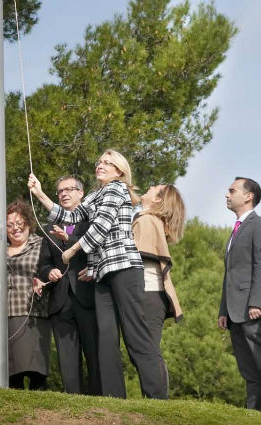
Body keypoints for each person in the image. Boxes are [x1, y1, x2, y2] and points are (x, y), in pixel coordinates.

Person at [28, 149, 165, 399]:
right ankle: (114, 399)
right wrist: (40, 193)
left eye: (107, 162)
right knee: (106, 338)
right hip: (103, 276)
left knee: (135, 336)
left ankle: (157, 398)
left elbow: (100, 228)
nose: (100, 165)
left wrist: (71, 251)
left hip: (125, 270)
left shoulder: (117, 189)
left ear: (119, 170)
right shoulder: (93, 195)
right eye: (99, 162)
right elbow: (69, 215)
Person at [39, 176, 101, 395]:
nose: (64, 194)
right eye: (60, 191)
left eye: (69, 189)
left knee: (94, 354)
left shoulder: (93, 221)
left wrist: (69, 238)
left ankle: (101, 399)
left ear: (81, 193)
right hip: (61, 301)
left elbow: (95, 251)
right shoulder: (48, 228)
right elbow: (43, 264)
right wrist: (49, 272)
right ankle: (72, 401)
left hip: (89, 297)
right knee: (67, 358)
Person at [132, 184, 185, 398]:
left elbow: (133, 256)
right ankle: (156, 399)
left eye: (156, 188)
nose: (150, 186)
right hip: (153, 295)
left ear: (158, 200)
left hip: (148, 294)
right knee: (148, 350)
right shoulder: (149, 220)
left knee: (147, 351)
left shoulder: (146, 221)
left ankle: (157, 400)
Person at [218, 177, 261, 410]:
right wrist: (223, 310)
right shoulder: (236, 230)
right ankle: (253, 414)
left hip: (251, 309)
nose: (227, 194)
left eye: (232, 190)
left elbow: (260, 265)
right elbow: (230, 274)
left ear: (248, 196)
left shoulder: (257, 225)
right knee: (248, 369)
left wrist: (257, 302)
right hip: (234, 312)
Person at [2, 200, 51, 390]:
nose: (15, 228)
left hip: (34, 314)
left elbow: (52, 271)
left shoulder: (41, 244)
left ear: (29, 224)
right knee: (12, 374)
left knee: (36, 371)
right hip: (5, 315)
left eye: (19, 223)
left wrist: (43, 281)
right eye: (10, 225)